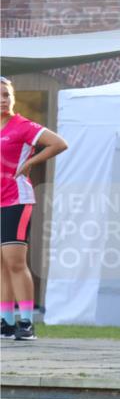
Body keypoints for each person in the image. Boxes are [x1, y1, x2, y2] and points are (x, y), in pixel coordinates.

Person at [1, 76, 69, 341]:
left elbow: (59, 143)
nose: (2, 100)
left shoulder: (22, 126)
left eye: (5, 95)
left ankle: (26, 322)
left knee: (15, 263)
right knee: (1, 264)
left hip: (16, 199)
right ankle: (5, 322)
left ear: (12, 98)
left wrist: (31, 163)